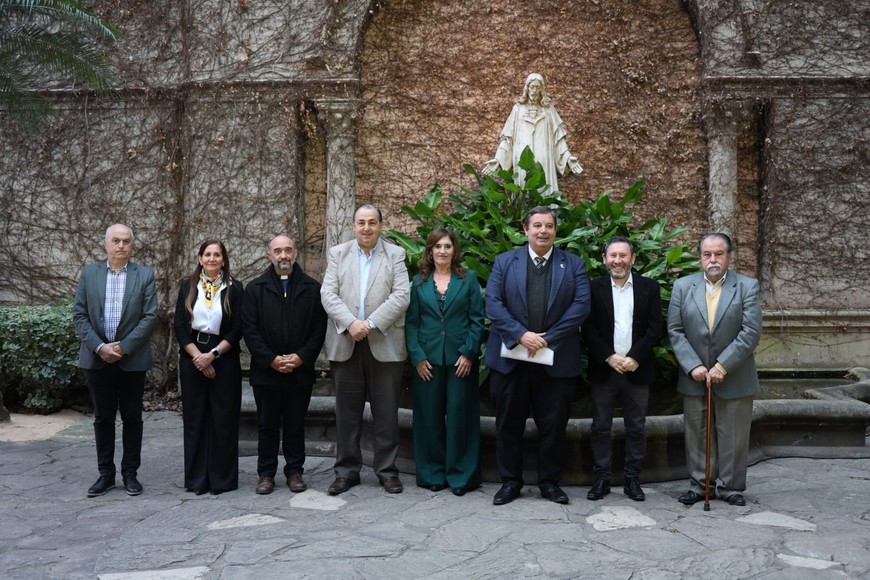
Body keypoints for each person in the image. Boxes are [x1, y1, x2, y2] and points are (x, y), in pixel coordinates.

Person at [485, 207, 591, 505]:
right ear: (525, 229)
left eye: (549, 226)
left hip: (555, 359)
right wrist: (521, 335)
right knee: (508, 423)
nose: (543, 231)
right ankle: (510, 481)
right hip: (510, 359)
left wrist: (547, 339)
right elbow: (493, 303)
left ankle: (549, 482)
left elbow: (581, 306)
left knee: (554, 424)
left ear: (556, 231)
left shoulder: (573, 265)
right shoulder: (505, 262)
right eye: (537, 226)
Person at [320, 204, 410, 495]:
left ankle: (386, 471)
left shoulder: (395, 254)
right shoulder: (338, 254)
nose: (367, 228)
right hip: (346, 341)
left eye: (372, 222)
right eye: (361, 223)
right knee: (346, 414)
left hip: (383, 341)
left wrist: (369, 323)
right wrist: (351, 323)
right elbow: (327, 294)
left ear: (381, 225)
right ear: (353, 225)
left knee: (386, 413)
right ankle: (346, 472)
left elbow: (401, 296)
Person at [668, 233, 762, 507]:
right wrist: (693, 365)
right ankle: (700, 485)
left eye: (718, 254)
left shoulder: (746, 286)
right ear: (700, 257)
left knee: (733, 435)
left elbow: (751, 331)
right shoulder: (683, 286)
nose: (712, 260)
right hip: (694, 376)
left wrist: (723, 365)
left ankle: (731, 487)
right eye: (707, 254)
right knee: (697, 434)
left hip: (735, 376)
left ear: (729, 257)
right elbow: (675, 330)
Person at [73, 224, 158, 497]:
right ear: (106, 244)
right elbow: (80, 315)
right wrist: (100, 347)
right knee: (103, 418)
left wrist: (123, 347)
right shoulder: (89, 273)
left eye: (126, 242)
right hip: (97, 360)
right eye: (116, 241)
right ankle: (105, 475)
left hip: (131, 360)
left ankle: (130, 474)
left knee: (133, 418)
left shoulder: (144, 275)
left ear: (131, 246)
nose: (121, 246)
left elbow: (149, 317)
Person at [242, 235, 327, 495]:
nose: (283, 256)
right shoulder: (255, 288)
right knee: (266, 424)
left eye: (288, 250)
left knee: (295, 423)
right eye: (277, 251)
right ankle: (266, 474)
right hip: (266, 371)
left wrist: (300, 358)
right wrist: (271, 360)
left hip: (299, 371)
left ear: (296, 253)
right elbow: (250, 329)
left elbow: (318, 329)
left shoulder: (312, 288)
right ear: (269, 255)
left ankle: (294, 471)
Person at [581, 236, 662, 502]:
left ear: (633, 259)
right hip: (605, 369)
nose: (618, 261)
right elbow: (587, 328)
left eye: (623, 256)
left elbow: (655, 328)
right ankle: (602, 478)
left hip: (637, 369)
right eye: (612, 256)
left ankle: (632, 479)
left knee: (636, 427)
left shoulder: (649, 288)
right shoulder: (593, 288)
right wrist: (608, 356)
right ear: (604, 259)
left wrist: (635, 356)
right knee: (600, 426)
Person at [405, 228, 485, 496]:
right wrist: (417, 357)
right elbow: (412, 324)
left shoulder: (468, 279)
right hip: (427, 361)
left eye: (447, 246)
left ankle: (461, 476)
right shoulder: (418, 282)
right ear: (429, 251)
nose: (442, 251)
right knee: (428, 417)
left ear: (454, 250)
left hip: (460, 359)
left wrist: (468, 353)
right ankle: (432, 474)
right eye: (437, 246)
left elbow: (477, 319)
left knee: (461, 416)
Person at [173, 240, 244, 495]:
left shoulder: (234, 288)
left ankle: (222, 479)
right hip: (192, 355)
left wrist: (212, 356)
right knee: (195, 419)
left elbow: (238, 329)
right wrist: (198, 358)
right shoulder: (188, 286)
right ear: (200, 258)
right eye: (207, 254)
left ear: (223, 260)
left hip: (223, 356)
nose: (212, 259)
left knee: (223, 419)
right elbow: (180, 327)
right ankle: (197, 479)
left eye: (217, 255)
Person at [482, 72, 583, 192]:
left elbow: (558, 138)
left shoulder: (548, 110)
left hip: (544, 157)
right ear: (527, 88)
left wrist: (567, 157)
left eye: (537, 87)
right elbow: (508, 139)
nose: (534, 91)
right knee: (524, 190)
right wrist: (498, 159)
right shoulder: (518, 110)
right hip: (522, 157)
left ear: (542, 89)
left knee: (544, 188)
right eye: (532, 87)